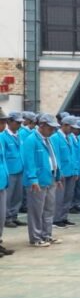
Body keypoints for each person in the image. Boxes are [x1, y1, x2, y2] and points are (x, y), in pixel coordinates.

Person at [22, 114, 63, 247]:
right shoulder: (31, 140)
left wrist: (57, 176)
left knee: (49, 209)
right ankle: (36, 237)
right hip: (38, 181)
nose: (52, 130)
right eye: (50, 128)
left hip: (50, 177)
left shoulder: (48, 139)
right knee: (36, 211)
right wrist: (33, 179)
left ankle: (47, 235)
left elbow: (53, 158)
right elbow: (29, 162)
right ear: (42, 125)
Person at [52, 116, 79, 229]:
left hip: (71, 171)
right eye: (71, 127)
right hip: (62, 172)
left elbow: (74, 155)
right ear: (64, 125)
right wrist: (59, 172)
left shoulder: (70, 137)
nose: (72, 130)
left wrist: (76, 170)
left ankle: (63, 217)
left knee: (68, 196)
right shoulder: (55, 138)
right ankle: (56, 219)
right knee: (59, 197)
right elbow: (56, 156)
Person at [2, 112, 26, 228]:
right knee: (8, 197)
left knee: (18, 196)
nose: (19, 125)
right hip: (10, 171)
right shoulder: (3, 136)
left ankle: (14, 216)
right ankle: (6, 218)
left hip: (20, 169)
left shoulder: (19, 135)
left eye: (20, 123)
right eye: (17, 123)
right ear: (9, 122)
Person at [0, 109, 13, 257]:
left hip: (2, 182)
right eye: (1, 122)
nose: (4, 125)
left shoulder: (1, 138)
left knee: (1, 216)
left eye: (4, 122)